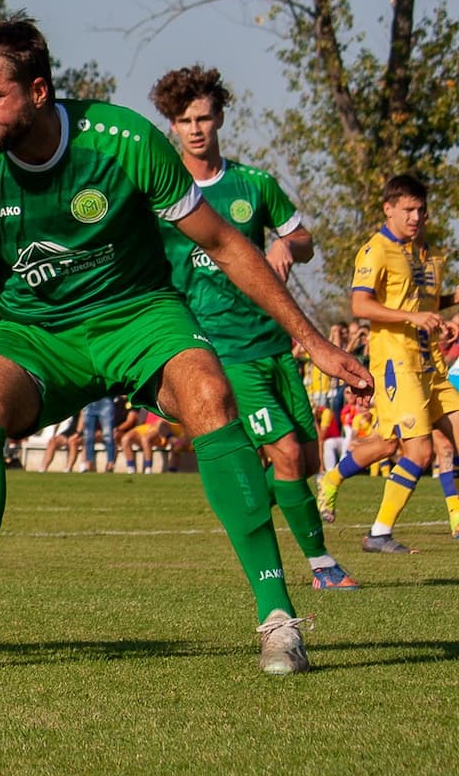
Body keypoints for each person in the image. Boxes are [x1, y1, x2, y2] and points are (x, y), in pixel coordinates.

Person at [0, 17, 367, 675]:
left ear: (38, 92)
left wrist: (315, 343)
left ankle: (277, 617)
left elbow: (221, 242)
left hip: (138, 315)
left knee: (211, 392)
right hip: (40, 336)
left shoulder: (124, 140)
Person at [150, 65, 356, 587]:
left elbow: (305, 237)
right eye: (183, 120)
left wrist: (288, 244)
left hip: (274, 343)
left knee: (304, 461)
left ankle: (241, 495)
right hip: (221, 349)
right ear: (171, 126)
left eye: (203, 117)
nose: (195, 129)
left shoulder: (254, 185)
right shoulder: (158, 197)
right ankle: (321, 565)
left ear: (219, 117)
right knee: (286, 452)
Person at [315, 174, 459, 552]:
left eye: (421, 210)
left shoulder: (422, 252)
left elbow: (421, 306)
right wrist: (412, 319)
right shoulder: (376, 250)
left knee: (389, 443)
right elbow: (360, 305)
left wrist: (446, 305)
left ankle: (332, 479)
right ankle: (378, 533)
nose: (416, 217)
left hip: (431, 364)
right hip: (397, 364)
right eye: (408, 209)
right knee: (418, 451)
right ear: (389, 208)